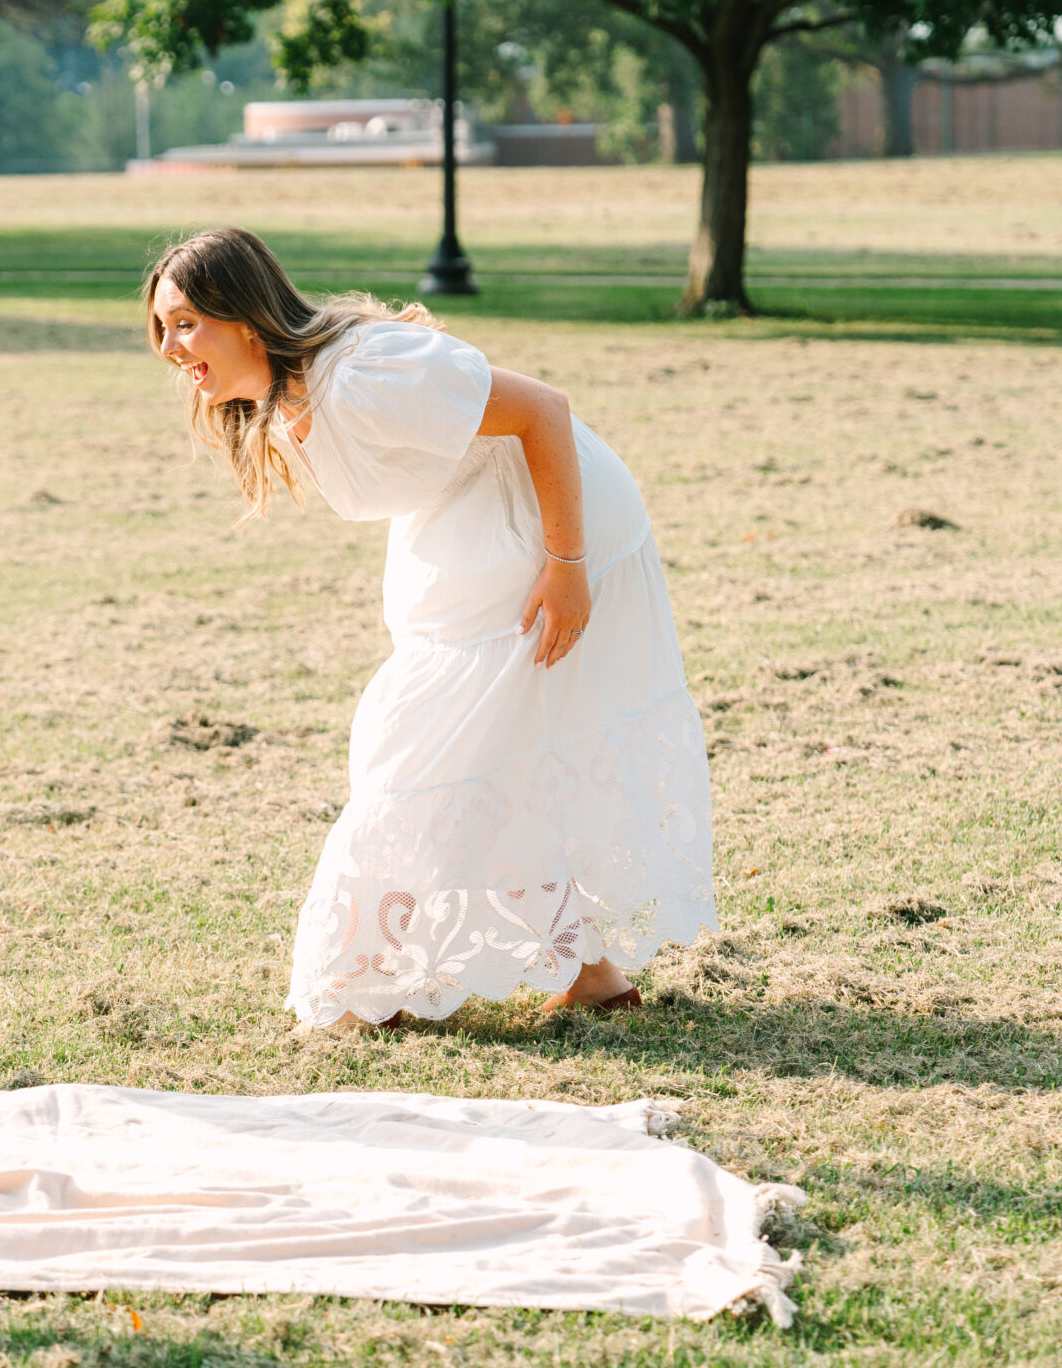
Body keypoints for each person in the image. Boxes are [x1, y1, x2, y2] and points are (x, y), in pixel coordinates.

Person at [144, 229, 714, 1031]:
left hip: (549, 536)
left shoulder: (362, 378)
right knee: (483, 762)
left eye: (186, 323)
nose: (170, 347)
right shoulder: (286, 398)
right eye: (163, 328)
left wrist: (567, 565)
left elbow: (544, 410)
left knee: (412, 751)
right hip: (470, 552)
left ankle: (366, 989)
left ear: (243, 316)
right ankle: (590, 974)